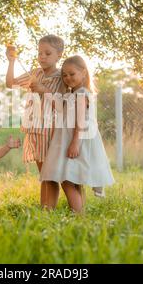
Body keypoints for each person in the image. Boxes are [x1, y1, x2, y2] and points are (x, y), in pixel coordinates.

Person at [40, 55, 115, 213]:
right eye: (64, 75)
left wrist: (74, 142)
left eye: (72, 74)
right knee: (72, 180)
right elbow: (62, 109)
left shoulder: (82, 93)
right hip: (71, 139)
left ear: (83, 72)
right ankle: (79, 213)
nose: (68, 78)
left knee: (68, 181)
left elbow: (80, 121)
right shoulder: (74, 94)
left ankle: (79, 216)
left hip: (76, 140)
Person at [5, 34, 65, 209]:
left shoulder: (62, 76)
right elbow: (11, 84)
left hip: (52, 131)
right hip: (35, 130)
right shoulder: (35, 73)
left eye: (48, 53)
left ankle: (51, 209)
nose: (42, 57)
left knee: (52, 174)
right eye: (40, 53)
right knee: (44, 174)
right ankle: (46, 209)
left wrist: (43, 89)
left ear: (59, 55)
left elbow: (63, 104)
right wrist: (11, 62)